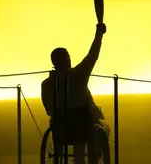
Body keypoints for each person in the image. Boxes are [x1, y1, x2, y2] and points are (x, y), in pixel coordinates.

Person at [41, 23, 109, 164]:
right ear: (68, 60)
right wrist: (99, 34)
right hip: (85, 127)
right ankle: (93, 157)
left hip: (61, 130)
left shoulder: (46, 84)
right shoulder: (80, 74)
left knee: (78, 132)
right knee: (101, 128)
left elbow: (49, 111)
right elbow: (93, 55)